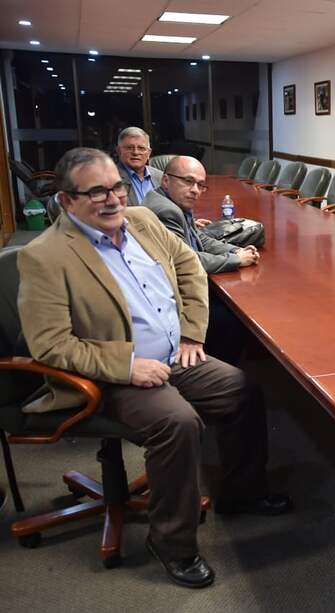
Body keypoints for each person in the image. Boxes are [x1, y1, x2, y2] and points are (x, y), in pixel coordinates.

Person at [17, 148, 291, 589]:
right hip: (109, 375)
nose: (112, 199)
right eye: (97, 192)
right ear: (67, 201)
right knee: (178, 423)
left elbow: (189, 267)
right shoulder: (45, 256)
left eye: (117, 187)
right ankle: (172, 545)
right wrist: (127, 366)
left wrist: (191, 334)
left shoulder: (142, 222)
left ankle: (242, 493)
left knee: (242, 388)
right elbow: (50, 344)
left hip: (174, 355)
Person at [142, 156, 260, 273]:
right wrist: (236, 259)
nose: (195, 190)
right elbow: (186, 262)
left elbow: (199, 238)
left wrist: (236, 250)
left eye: (200, 185)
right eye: (188, 181)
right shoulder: (166, 211)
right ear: (166, 181)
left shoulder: (172, 199)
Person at [115, 126, 161, 205]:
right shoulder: (111, 178)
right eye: (129, 148)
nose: (135, 152)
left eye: (141, 148)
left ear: (149, 153)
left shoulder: (160, 176)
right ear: (119, 151)